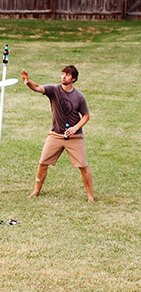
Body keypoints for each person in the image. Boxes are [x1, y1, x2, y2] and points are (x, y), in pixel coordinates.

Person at [21, 66, 94, 202]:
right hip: (55, 134)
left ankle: (90, 195)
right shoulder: (54, 90)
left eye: (67, 75)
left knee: (83, 166)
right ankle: (36, 191)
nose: (63, 77)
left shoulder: (79, 97)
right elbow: (38, 87)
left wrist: (75, 128)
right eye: (62, 74)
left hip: (74, 136)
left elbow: (86, 116)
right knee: (43, 163)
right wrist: (28, 82)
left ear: (73, 79)